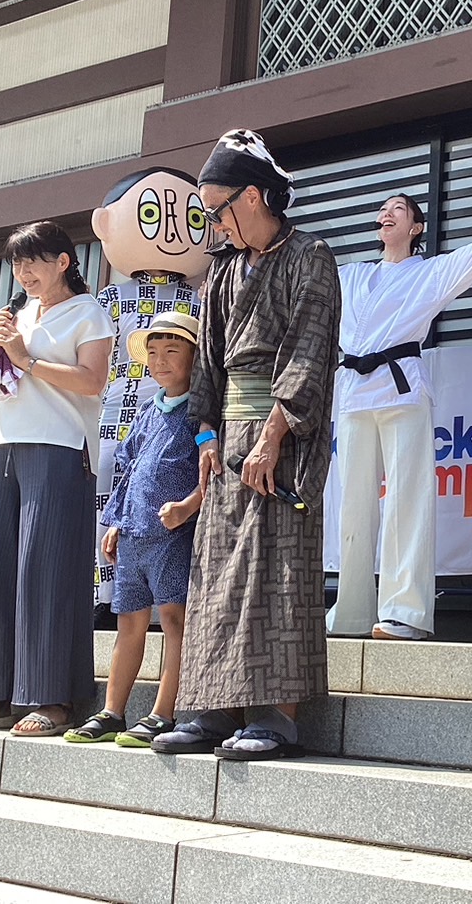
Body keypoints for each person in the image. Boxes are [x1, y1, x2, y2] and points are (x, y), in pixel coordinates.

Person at [152, 129, 341, 760]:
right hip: (229, 437)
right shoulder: (223, 271)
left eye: (219, 210)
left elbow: (310, 352)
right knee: (215, 576)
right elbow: (207, 362)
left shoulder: (311, 256)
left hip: (281, 439)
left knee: (276, 574)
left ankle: (275, 717)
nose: (215, 224)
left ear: (254, 197)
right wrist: (206, 434)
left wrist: (273, 436)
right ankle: (211, 710)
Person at [327, 183, 472, 641]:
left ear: (416, 227)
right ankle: (351, 611)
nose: (386, 213)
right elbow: (304, 286)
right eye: (382, 209)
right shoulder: (350, 275)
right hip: (353, 392)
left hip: (402, 390)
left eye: (398, 209)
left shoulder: (430, 272)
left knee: (407, 502)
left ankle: (405, 612)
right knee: (351, 507)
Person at [0, 221, 114, 736]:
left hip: (60, 446)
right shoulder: (16, 314)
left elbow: (93, 381)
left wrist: (26, 359)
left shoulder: (89, 312)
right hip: (1, 445)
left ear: (63, 261)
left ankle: (53, 698)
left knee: (47, 567)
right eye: (17, 263)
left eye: (34, 260)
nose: (24, 272)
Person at [65, 312, 202, 746]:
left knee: (174, 620)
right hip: (133, 533)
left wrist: (188, 507)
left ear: (196, 357)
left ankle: (163, 712)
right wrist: (116, 522)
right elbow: (127, 468)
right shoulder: (147, 411)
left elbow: (213, 470)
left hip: (174, 536)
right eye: (153, 353)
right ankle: (113, 711)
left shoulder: (202, 411)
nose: (160, 361)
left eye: (172, 351)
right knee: (128, 621)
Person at [89, 167, 210, 623]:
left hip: (177, 413)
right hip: (116, 413)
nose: (172, 230)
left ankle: (166, 602)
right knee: (106, 496)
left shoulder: (200, 300)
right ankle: (105, 594)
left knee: (168, 499)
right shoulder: (110, 298)